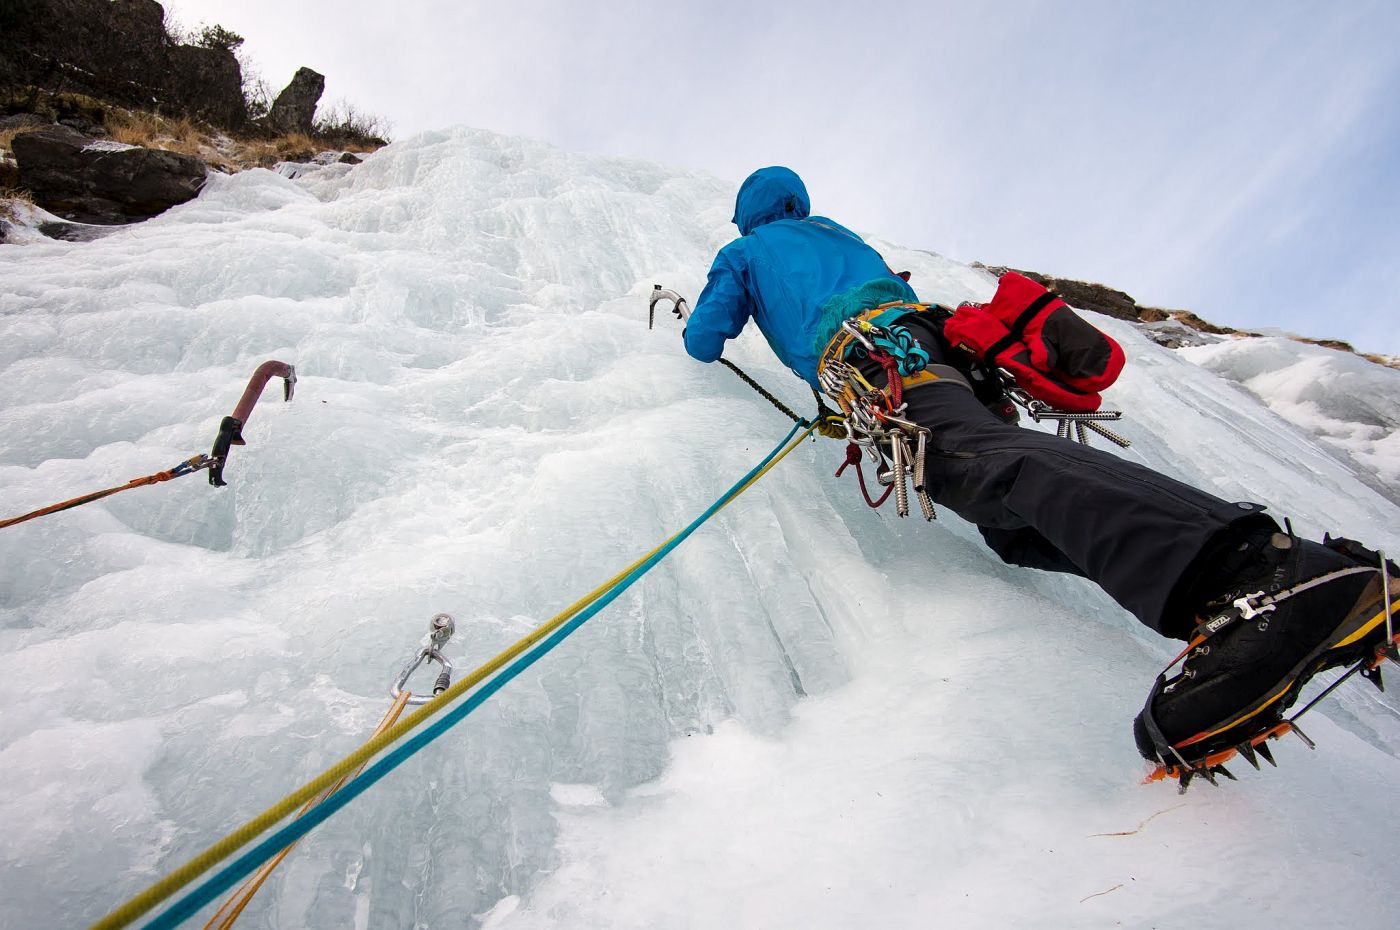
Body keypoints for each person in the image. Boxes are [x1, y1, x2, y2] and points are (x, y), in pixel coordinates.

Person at [682, 166, 1399, 785]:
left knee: (980, 465)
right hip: (935, 348)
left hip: (882, 359)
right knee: (1012, 525)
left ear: (748, 214)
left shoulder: (748, 251)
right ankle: (1227, 612)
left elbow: (704, 339)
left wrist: (703, 308)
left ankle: (1256, 575)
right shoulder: (837, 234)